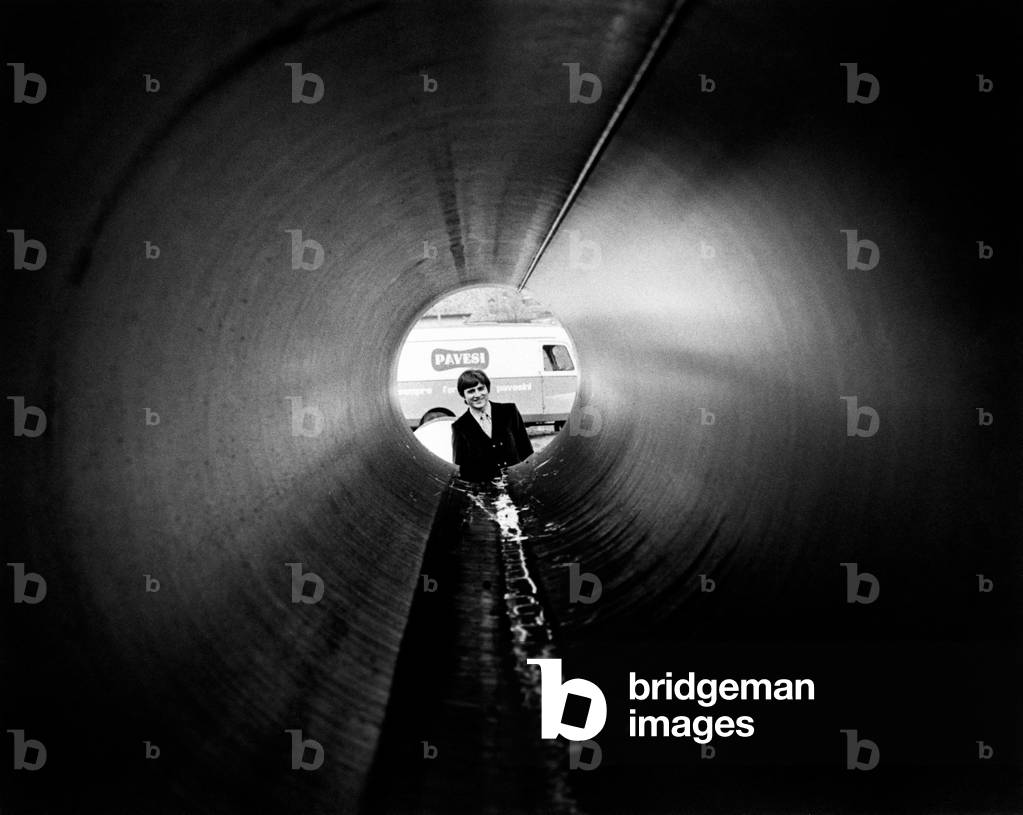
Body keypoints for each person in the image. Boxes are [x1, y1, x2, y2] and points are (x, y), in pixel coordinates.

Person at [451, 369, 533, 481]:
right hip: (486, 491)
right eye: (471, 391)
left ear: (487, 389)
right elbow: (461, 468)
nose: (477, 395)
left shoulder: (509, 412)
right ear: (463, 395)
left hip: (516, 484)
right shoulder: (460, 426)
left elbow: (526, 451)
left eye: (481, 388)